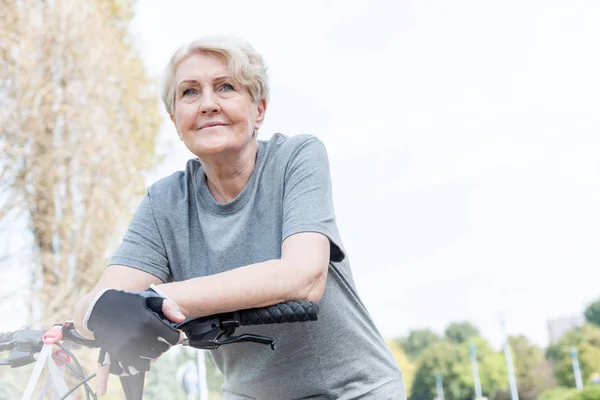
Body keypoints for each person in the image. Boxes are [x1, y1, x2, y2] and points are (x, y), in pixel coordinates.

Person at [73, 35, 405, 399]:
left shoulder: (296, 158)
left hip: (353, 391)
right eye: (189, 92)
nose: (207, 104)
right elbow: (98, 300)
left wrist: (152, 301)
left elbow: (303, 276)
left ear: (258, 110)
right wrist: (102, 314)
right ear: (174, 119)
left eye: (225, 87)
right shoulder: (165, 202)